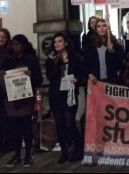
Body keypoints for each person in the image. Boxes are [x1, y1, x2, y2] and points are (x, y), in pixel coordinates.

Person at [0, 34, 43, 167]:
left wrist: (31, 76)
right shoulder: (7, 59)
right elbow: (2, 77)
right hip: (11, 99)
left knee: (25, 126)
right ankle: (17, 154)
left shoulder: (31, 60)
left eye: (17, 44)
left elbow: (39, 79)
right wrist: (1, 75)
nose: (14, 47)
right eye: (13, 44)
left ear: (24, 46)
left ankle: (28, 154)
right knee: (14, 128)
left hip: (26, 98)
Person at [45, 32, 84, 164]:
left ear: (66, 43)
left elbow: (81, 73)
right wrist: (57, 63)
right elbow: (50, 77)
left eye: (60, 41)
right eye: (55, 42)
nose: (57, 44)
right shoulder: (51, 59)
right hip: (56, 95)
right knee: (60, 124)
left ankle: (79, 146)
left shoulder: (75, 57)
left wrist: (77, 80)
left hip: (70, 93)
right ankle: (64, 151)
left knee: (70, 123)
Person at [84, 19, 124, 85]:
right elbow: (85, 63)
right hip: (96, 81)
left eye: (104, 26)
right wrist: (89, 74)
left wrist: (113, 52)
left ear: (108, 28)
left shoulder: (115, 45)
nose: (102, 28)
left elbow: (120, 65)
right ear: (96, 29)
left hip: (111, 81)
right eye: (99, 26)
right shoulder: (91, 45)